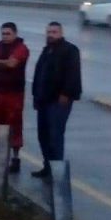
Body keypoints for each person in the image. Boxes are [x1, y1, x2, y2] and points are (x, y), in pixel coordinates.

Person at [31, 21, 82, 178]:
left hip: (59, 101)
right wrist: (35, 96)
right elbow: (39, 74)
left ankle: (57, 174)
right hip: (43, 100)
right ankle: (48, 167)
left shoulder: (69, 50)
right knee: (43, 135)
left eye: (54, 32)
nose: (50, 35)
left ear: (61, 33)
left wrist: (66, 94)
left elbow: (72, 74)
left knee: (55, 136)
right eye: (48, 32)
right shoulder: (47, 51)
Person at [0, 22, 30, 173]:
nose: (5, 36)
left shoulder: (21, 48)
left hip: (14, 94)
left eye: (8, 34)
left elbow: (12, 64)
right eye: (3, 33)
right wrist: (2, 63)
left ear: (15, 34)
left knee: (14, 125)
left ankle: (15, 159)